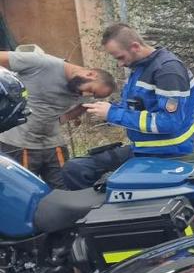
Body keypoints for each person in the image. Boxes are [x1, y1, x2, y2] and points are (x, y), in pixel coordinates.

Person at [62, 23, 194, 190]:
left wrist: (112, 113)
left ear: (135, 46)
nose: (119, 64)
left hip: (167, 153)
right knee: (76, 168)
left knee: (82, 171)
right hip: (145, 149)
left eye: (119, 57)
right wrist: (105, 109)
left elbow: (169, 122)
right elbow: (138, 109)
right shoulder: (141, 68)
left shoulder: (168, 72)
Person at [0, 51, 115, 188]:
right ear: (90, 74)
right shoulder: (41, 63)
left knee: (64, 192)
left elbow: (79, 108)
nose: (87, 95)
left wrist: (61, 120)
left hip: (54, 147)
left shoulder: (82, 93)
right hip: (18, 144)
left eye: (93, 95)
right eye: (91, 90)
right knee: (21, 191)